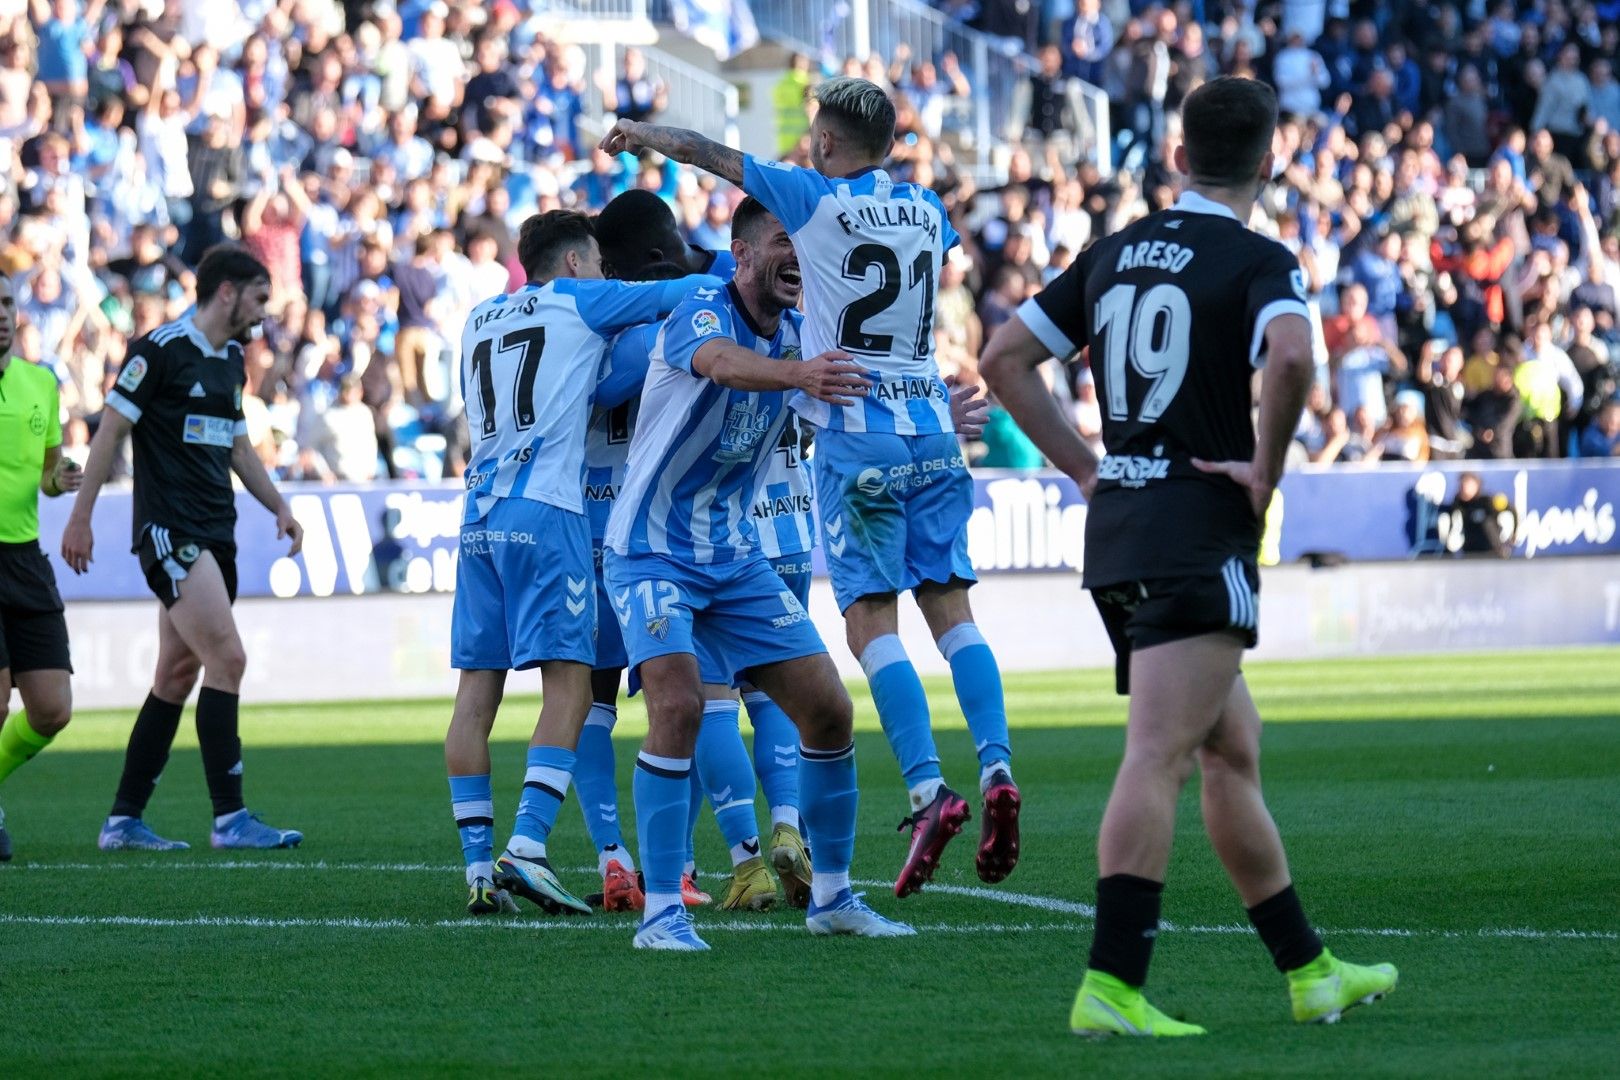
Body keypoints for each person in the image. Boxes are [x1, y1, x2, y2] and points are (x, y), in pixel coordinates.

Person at [980, 76, 1397, 1037]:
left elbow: (1005, 358)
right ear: (1270, 162)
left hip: (1121, 527)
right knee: (1161, 753)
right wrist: (1265, 469)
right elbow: (1291, 360)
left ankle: (1310, 970)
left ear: (1177, 157)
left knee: (1229, 748)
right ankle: (1113, 983)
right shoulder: (1258, 259)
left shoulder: (1113, 254)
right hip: (1196, 528)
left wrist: (1089, 468)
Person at [601, 76, 1023, 900]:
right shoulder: (927, 209)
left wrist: (639, 133)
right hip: (933, 427)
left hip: (853, 425)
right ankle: (999, 760)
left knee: (871, 621)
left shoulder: (810, 200)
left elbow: (709, 155)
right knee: (956, 612)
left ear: (825, 144)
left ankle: (928, 787)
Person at [603, 196, 912, 950]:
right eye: (782, 242)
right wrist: (799, 373)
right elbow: (720, 366)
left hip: (734, 558)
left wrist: (926, 419)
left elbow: (842, 409)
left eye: (803, 246)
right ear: (740, 254)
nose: (797, 258)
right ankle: (662, 915)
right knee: (675, 707)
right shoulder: (701, 311)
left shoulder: (804, 336)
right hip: (650, 550)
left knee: (829, 711)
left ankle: (834, 896)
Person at [443, 211, 719, 917]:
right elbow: (673, 294)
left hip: (477, 516)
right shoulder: (579, 299)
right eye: (597, 263)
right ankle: (528, 847)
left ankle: (477, 869)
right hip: (548, 513)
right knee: (572, 687)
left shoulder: (478, 317)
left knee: (476, 696)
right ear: (573, 264)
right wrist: (729, 266)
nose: (602, 276)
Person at [61, 246, 306, 852]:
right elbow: (112, 429)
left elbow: (239, 448)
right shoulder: (161, 349)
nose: (261, 312)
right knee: (229, 660)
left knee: (175, 674)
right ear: (226, 292)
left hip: (215, 531)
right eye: (256, 297)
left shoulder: (230, 358)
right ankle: (231, 819)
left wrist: (278, 505)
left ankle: (122, 822)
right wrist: (81, 518)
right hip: (170, 531)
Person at [0, 276, 83, 861]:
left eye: (6, 301)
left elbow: (49, 474)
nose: (2, 313)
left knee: (52, 708)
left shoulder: (41, 383)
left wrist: (62, 479)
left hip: (25, 558)